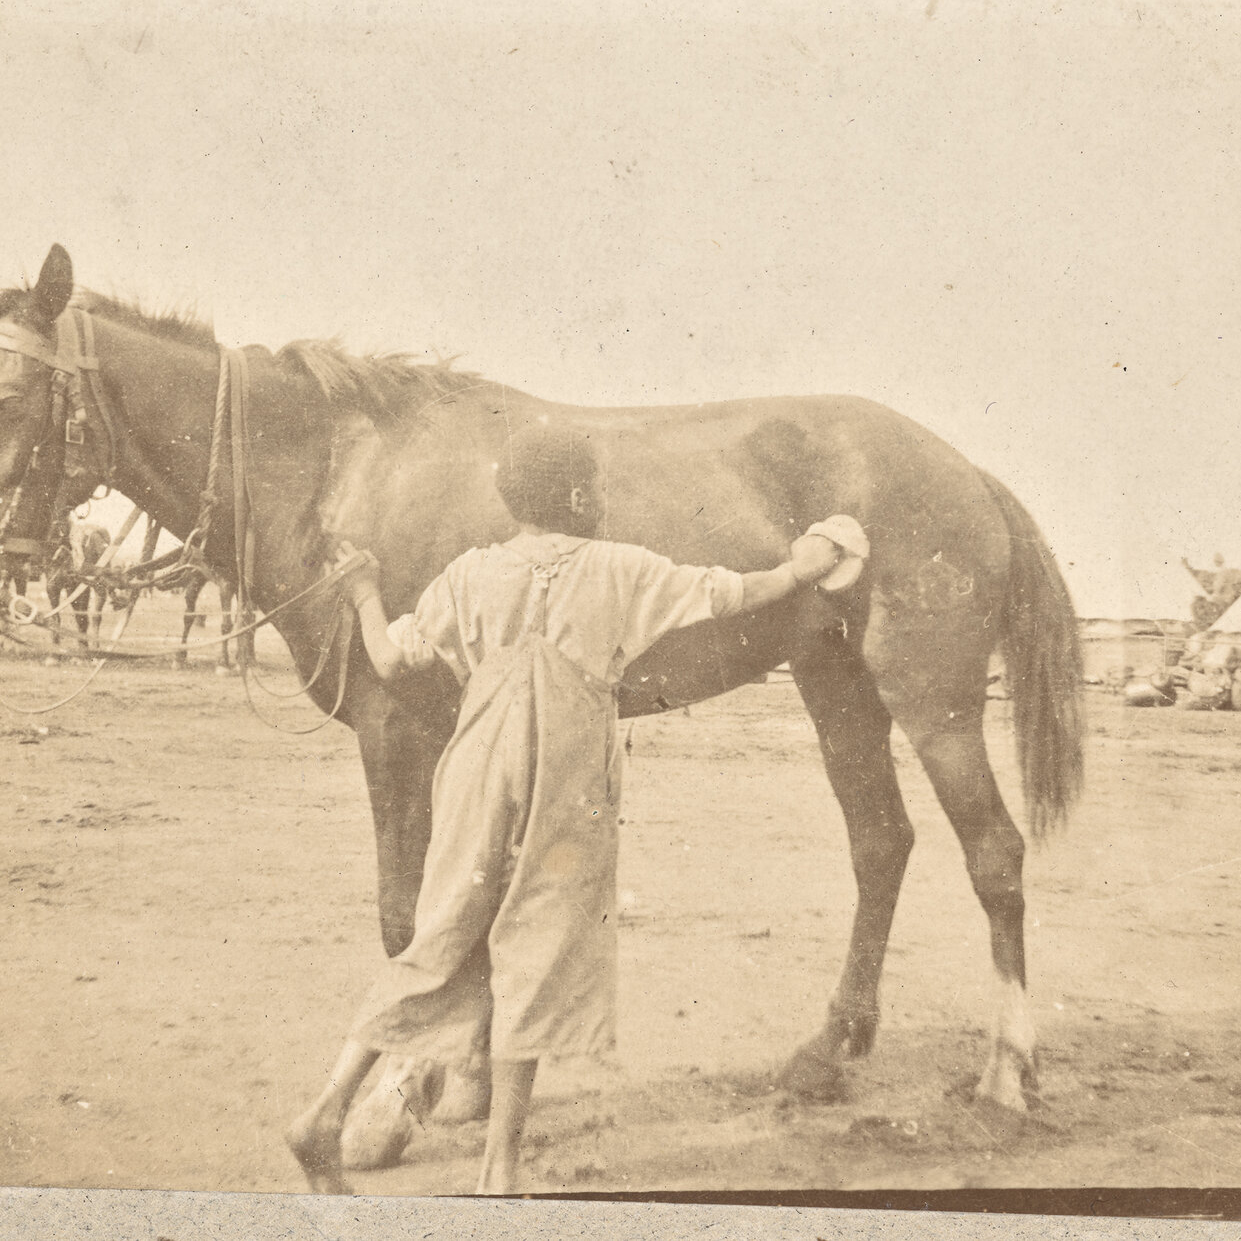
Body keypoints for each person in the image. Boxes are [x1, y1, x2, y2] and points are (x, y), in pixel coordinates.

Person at [286, 426, 856, 1194]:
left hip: (477, 763)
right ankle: (499, 1170)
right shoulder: (621, 568)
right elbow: (734, 594)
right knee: (537, 950)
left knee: (441, 932)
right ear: (583, 496)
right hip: (567, 775)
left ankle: (325, 1108)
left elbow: (390, 660)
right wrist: (801, 567)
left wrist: (363, 594)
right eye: (601, 488)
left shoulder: (471, 572)